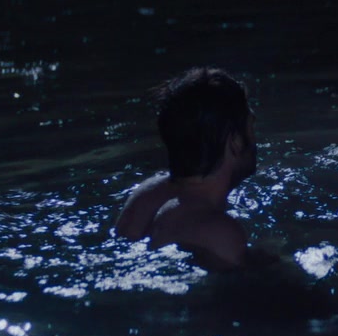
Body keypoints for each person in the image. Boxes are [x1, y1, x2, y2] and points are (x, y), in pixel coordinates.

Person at [114, 67, 274, 271]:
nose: (254, 140)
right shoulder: (219, 232)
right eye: (250, 126)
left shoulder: (144, 197)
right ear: (235, 140)